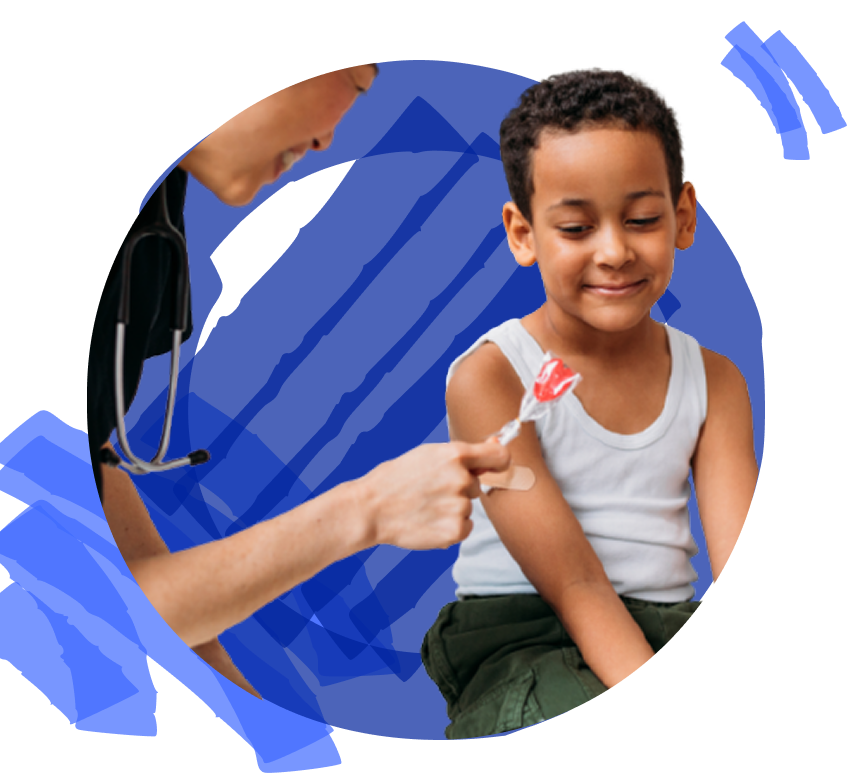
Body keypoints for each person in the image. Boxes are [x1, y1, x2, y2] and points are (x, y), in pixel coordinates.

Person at [87, 64, 512, 701]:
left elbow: (125, 560)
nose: (325, 142)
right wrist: (366, 509)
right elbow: (83, 609)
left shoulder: (153, 244)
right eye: (356, 84)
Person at [420, 68, 758, 738]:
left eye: (641, 219)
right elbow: (574, 584)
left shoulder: (714, 380)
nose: (613, 251)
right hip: (521, 634)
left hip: (664, 622)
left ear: (683, 216)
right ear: (522, 234)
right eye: (575, 227)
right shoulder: (489, 376)